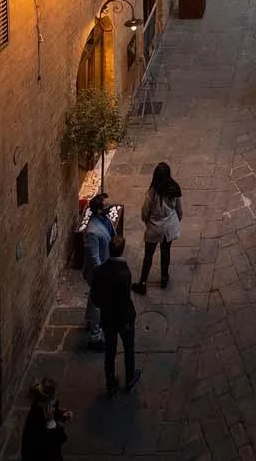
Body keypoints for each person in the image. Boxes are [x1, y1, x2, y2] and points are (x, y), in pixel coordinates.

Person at [90, 235, 140, 396]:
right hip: (123, 319)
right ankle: (130, 379)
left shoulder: (99, 271)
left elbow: (94, 297)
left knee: (110, 351)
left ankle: (110, 383)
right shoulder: (124, 273)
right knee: (129, 348)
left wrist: (103, 306)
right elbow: (124, 301)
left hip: (107, 318)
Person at [134, 162, 182, 294]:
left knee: (148, 255)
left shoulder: (152, 192)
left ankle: (143, 282)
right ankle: (164, 278)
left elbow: (145, 211)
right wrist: (175, 222)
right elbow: (179, 210)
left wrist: (147, 222)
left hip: (154, 227)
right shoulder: (174, 189)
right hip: (169, 227)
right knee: (166, 252)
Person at [81, 192, 113, 350]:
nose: (109, 207)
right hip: (98, 273)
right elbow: (94, 257)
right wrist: (103, 276)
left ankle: (88, 320)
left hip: (105, 268)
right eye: (106, 205)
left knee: (94, 300)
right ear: (99, 210)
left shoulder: (104, 220)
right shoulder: (92, 231)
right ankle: (95, 336)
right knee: (99, 304)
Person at [21, 378, 73, 460]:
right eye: (53, 399)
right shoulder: (35, 424)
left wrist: (62, 415)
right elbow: (58, 439)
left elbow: (54, 412)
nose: (55, 401)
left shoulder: (43, 410)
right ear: (42, 404)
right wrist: (51, 422)